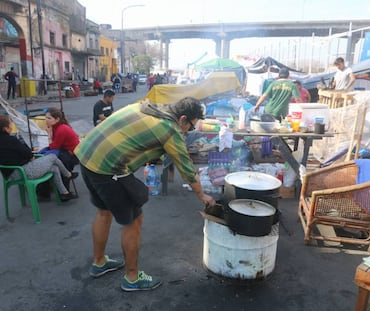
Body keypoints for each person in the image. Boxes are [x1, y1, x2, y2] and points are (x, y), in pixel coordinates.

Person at [74, 97, 216, 292]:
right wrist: (203, 196)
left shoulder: (147, 106)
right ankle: (132, 278)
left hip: (87, 154)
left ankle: (99, 262)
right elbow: (188, 170)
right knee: (134, 220)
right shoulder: (170, 130)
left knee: (104, 211)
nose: (187, 132)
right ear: (182, 119)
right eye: (190, 127)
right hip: (108, 168)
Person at [0, 115, 77, 201]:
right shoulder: (11, 140)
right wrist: (30, 156)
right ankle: (67, 174)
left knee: (54, 168)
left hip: (10, 174)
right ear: (5, 128)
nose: (12, 126)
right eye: (10, 124)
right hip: (22, 172)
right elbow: (28, 154)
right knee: (52, 157)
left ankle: (64, 193)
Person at [40, 107, 80, 173]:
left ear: (57, 119)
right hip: (65, 151)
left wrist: (49, 134)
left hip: (72, 155)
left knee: (50, 157)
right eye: (46, 117)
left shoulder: (61, 129)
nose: (46, 120)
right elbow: (54, 144)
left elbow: (53, 147)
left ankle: (66, 174)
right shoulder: (54, 127)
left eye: (49, 118)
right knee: (42, 152)